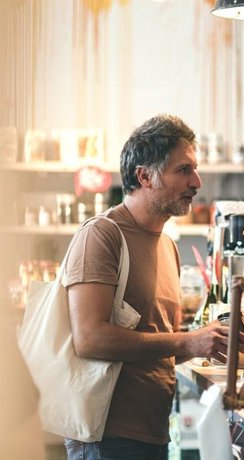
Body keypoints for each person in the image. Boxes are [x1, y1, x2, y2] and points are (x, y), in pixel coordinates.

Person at [63, 114, 233, 459]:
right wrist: (188, 340)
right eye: (183, 170)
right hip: (106, 437)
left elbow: (159, 343)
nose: (196, 181)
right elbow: (89, 337)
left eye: (195, 169)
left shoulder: (166, 244)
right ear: (145, 176)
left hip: (152, 433)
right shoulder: (102, 235)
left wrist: (208, 341)